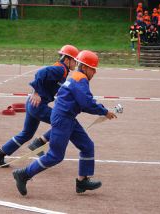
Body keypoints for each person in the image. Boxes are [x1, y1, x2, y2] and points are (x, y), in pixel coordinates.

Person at [12, 50, 117, 196]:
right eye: (93, 69)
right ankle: (23, 174)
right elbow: (86, 103)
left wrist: (102, 110)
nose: (94, 73)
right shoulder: (80, 79)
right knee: (55, 155)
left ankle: (82, 181)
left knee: (87, 146)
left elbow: (84, 101)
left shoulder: (76, 77)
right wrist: (104, 111)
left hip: (68, 118)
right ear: (85, 67)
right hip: (63, 118)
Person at [0, 45, 79, 166]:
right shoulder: (60, 69)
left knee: (27, 133)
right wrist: (36, 92)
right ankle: (38, 143)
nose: (76, 63)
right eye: (75, 60)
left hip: (32, 104)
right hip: (38, 105)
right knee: (63, 121)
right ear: (67, 60)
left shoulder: (62, 70)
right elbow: (40, 73)